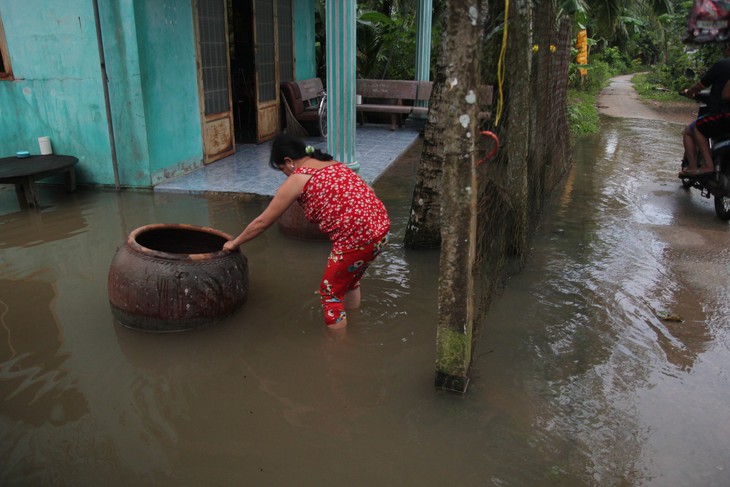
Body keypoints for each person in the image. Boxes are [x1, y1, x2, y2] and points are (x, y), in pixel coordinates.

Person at [223, 134, 391, 330]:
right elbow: (369, 191)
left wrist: (235, 242)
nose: (285, 174)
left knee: (330, 295)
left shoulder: (298, 179)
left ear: (288, 161)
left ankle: (340, 352)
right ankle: (354, 322)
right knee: (350, 282)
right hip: (382, 231)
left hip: (356, 241)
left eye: (282, 169)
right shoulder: (332, 163)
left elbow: (262, 222)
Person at [681, 43, 730, 177]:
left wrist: (689, 92)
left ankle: (703, 166)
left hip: (723, 115)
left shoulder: (723, 65)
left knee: (694, 128)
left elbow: (701, 85)